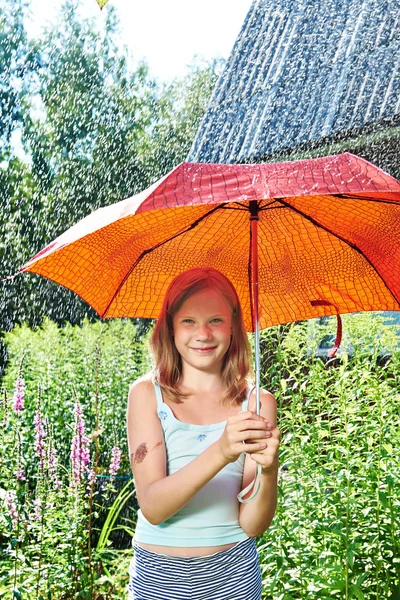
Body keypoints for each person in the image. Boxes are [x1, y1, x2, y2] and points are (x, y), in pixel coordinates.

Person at [126, 267, 280, 600]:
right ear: (170, 327)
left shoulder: (257, 403)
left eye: (215, 320)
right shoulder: (147, 395)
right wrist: (222, 450)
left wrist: (269, 471)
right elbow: (153, 506)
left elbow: (252, 525)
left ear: (234, 326)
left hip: (234, 574)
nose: (203, 334)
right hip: (158, 576)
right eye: (189, 321)